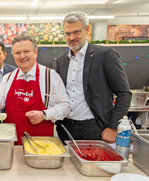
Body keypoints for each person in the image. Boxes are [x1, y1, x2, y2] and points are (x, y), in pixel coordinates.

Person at [0, 34, 71, 145]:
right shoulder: (8, 78)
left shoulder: (50, 76)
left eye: (26, 51)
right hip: (12, 141)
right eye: (18, 53)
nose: (22, 56)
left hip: (41, 142)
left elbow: (65, 106)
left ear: (36, 53)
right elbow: (0, 104)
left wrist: (44, 114)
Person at [55, 11, 132, 144]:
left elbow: (124, 93)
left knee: (93, 164)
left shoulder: (105, 55)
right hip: (65, 128)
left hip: (94, 128)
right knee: (67, 165)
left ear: (87, 29)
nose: (72, 37)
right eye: (68, 33)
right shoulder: (61, 61)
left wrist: (113, 127)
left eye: (76, 32)